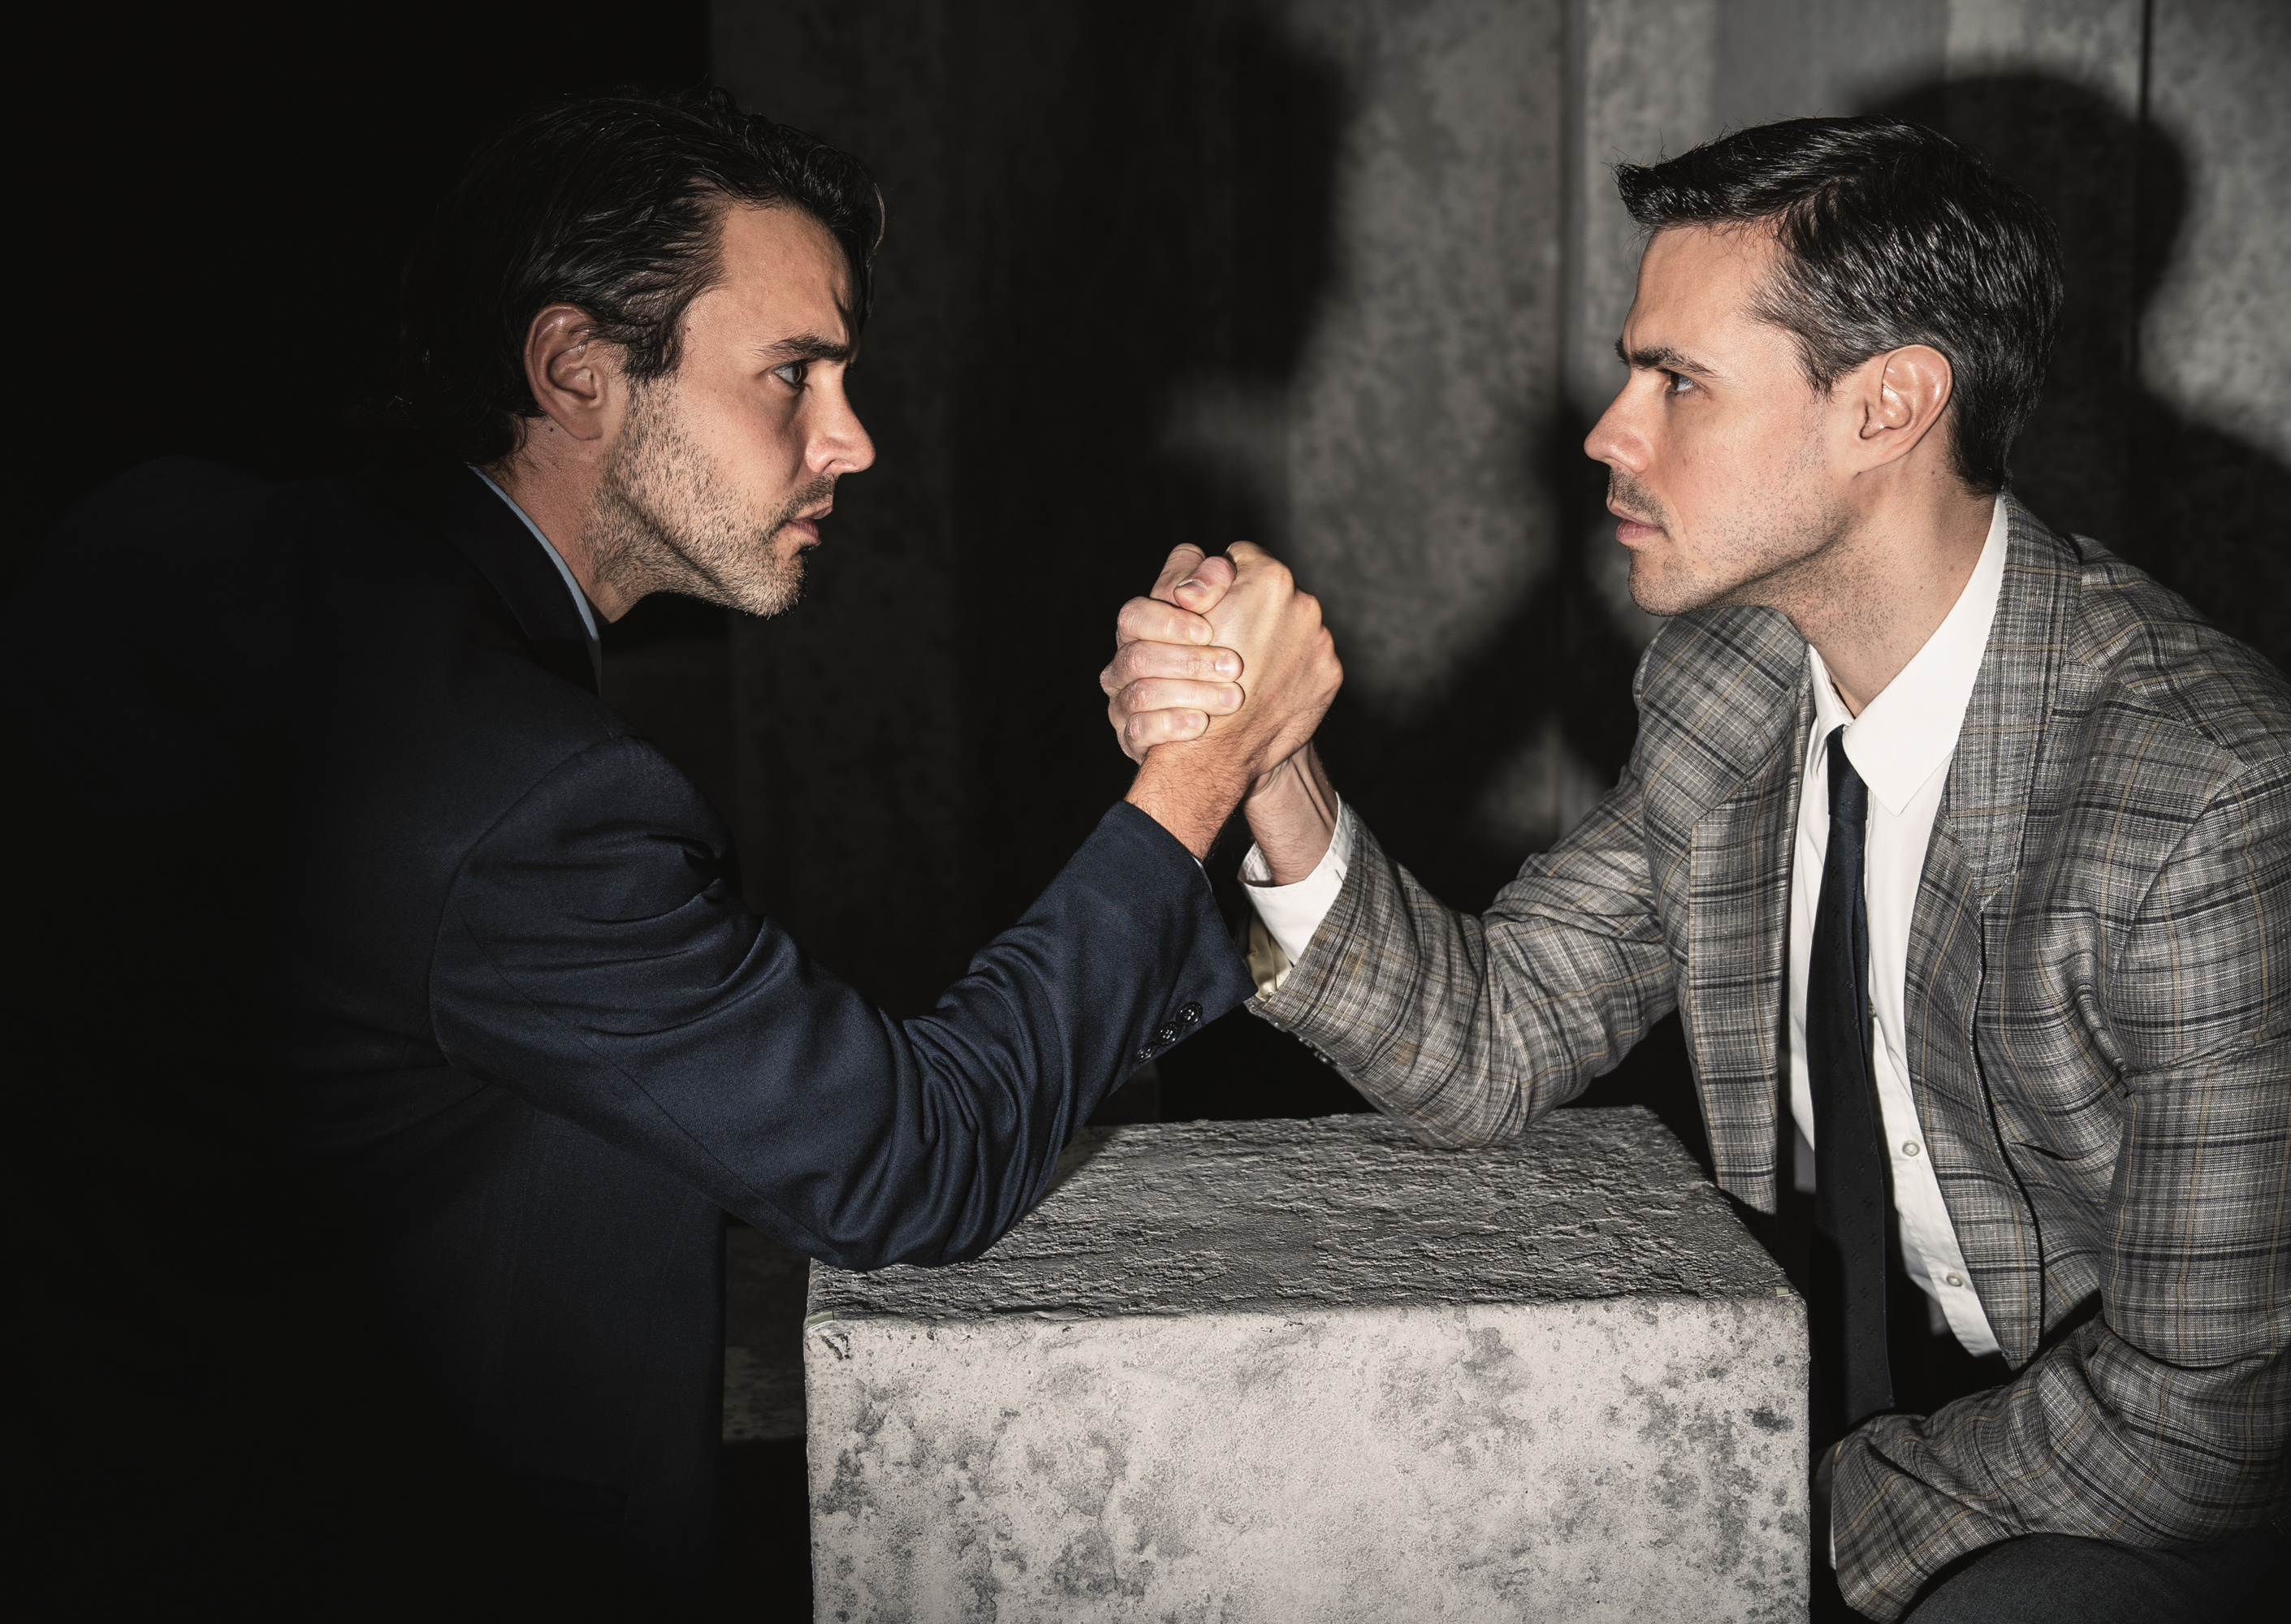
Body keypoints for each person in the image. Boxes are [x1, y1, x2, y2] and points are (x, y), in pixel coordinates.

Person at [3, 89, 1338, 1608]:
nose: (852, 439)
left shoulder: (147, 535)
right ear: (578, 371)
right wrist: (1203, 774)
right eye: (793, 374)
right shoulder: (529, 797)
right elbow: (912, 1163)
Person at [1105, 117, 2291, 1622]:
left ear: (1889, 406)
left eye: (1677, 381)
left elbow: (2199, 1439)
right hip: (1852, 1410)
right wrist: (1270, 761)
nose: (1609, 431)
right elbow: (1492, 1038)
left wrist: (1734, 1501)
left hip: (2217, 1506)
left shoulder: (2220, 813)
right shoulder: (1729, 683)